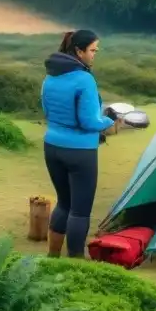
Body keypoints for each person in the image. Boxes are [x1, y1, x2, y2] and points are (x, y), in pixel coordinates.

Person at [40, 29, 116, 258]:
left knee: (64, 203)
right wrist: (110, 119)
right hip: (79, 151)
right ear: (78, 51)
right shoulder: (84, 79)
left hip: (52, 147)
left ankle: (52, 257)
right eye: (92, 50)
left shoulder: (50, 76)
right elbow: (89, 121)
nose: (94, 55)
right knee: (80, 211)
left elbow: (46, 111)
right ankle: (75, 262)